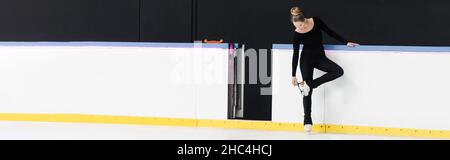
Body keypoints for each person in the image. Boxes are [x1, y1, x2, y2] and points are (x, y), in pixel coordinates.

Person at [290, 6, 359, 133]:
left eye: (301, 25)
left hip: (320, 58)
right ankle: (307, 120)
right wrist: (293, 74)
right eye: (297, 26)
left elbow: (330, 32)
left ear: (305, 20)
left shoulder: (316, 21)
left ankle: (310, 84)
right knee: (307, 93)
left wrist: (346, 42)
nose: (300, 28)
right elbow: (295, 54)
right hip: (306, 60)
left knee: (338, 71)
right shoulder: (297, 34)